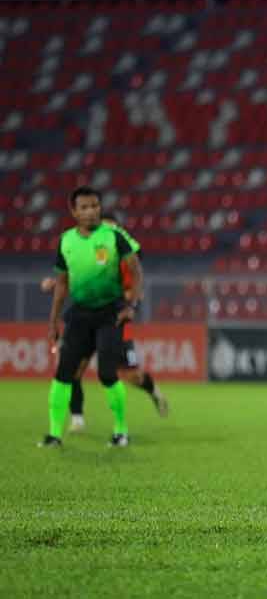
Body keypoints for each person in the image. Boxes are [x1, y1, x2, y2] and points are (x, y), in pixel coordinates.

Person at [41, 214, 168, 431]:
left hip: (114, 320)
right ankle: (77, 417)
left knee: (130, 375)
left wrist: (130, 298)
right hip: (85, 318)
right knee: (73, 370)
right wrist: (54, 283)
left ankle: (154, 392)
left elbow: (133, 284)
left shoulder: (125, 257)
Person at [39, 187, 142, 448]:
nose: (91, 211)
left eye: (95, 206)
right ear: (74, 212)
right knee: (64, 374)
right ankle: (54, 435)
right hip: (80, 316)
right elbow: (62, 285)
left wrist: (132, 305)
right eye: (84, 207)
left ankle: (121, 431)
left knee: (107, 374)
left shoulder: (114, 236)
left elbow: (136, 270)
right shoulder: (66, 241)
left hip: (110, 314)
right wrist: (53, 322)